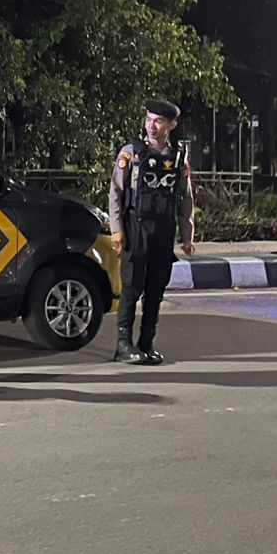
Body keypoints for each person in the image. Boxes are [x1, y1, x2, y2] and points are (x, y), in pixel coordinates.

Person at [108, 98, 196, 365]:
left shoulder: (178, 156)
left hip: (163, 228)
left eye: (158, 121)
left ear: (171, 125)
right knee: (132, 287)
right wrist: (117, 229)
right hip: (136, 226)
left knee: (156, 288)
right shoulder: (131, 153)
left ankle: (146, 342)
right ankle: (123, 344)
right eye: (149, 119)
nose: (152, 125)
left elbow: (185, 197)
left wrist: (187, 235)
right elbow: (116, 192)